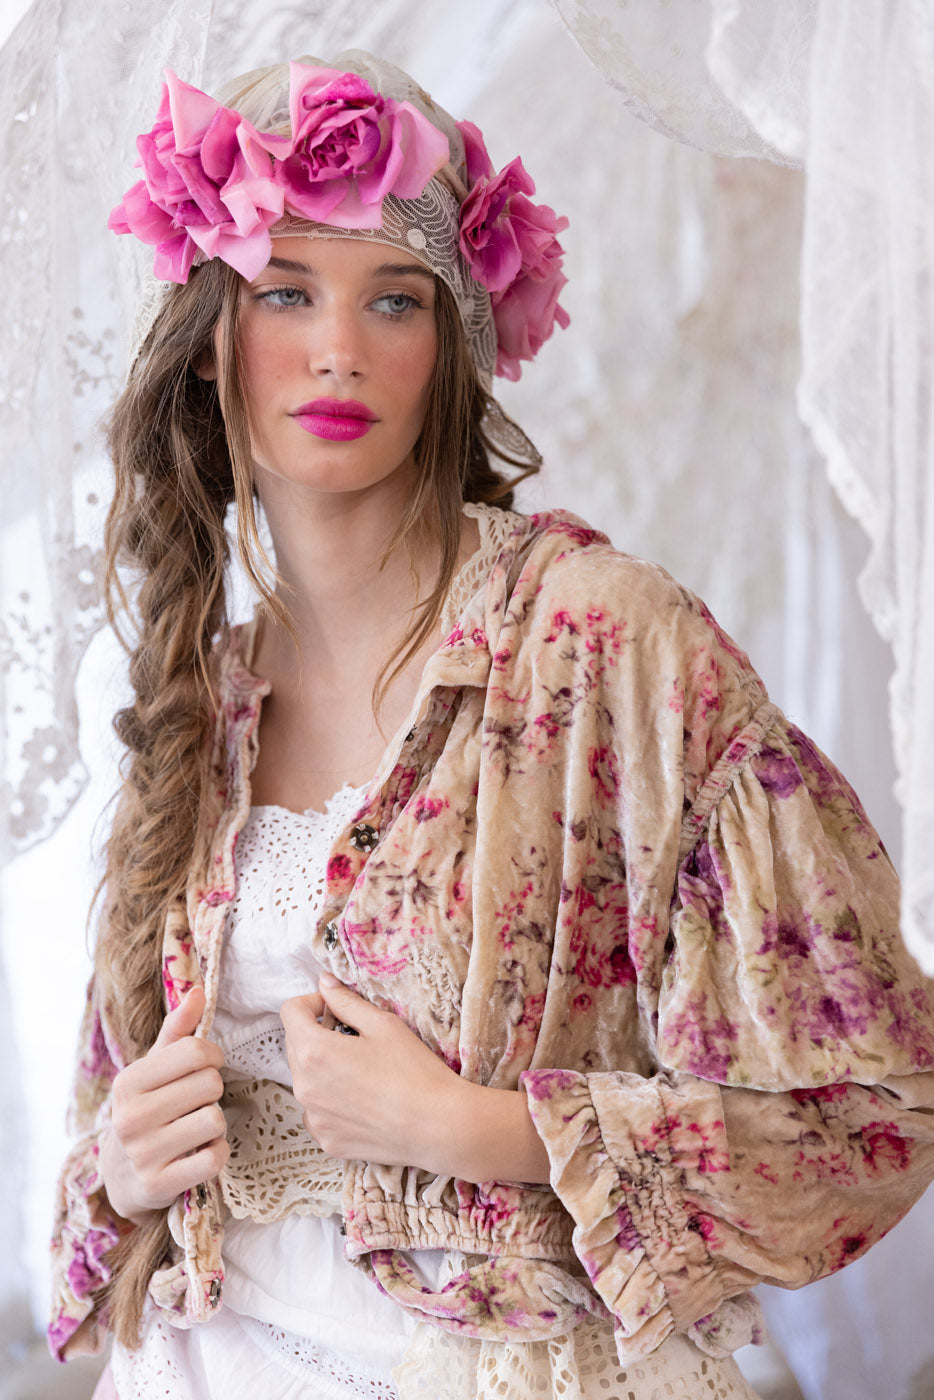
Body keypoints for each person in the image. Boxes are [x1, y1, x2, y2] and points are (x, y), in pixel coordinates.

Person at [48, 49, 934, 1400]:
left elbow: (871, 1112)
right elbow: (99, 1134)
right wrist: (120, 1165)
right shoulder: (198, 696)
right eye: (286, 290)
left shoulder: (602, 640)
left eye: (393, 300)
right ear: (210, 334)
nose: (338, 349)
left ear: (449, 345)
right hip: (198, 1365)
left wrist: (483, 1129)